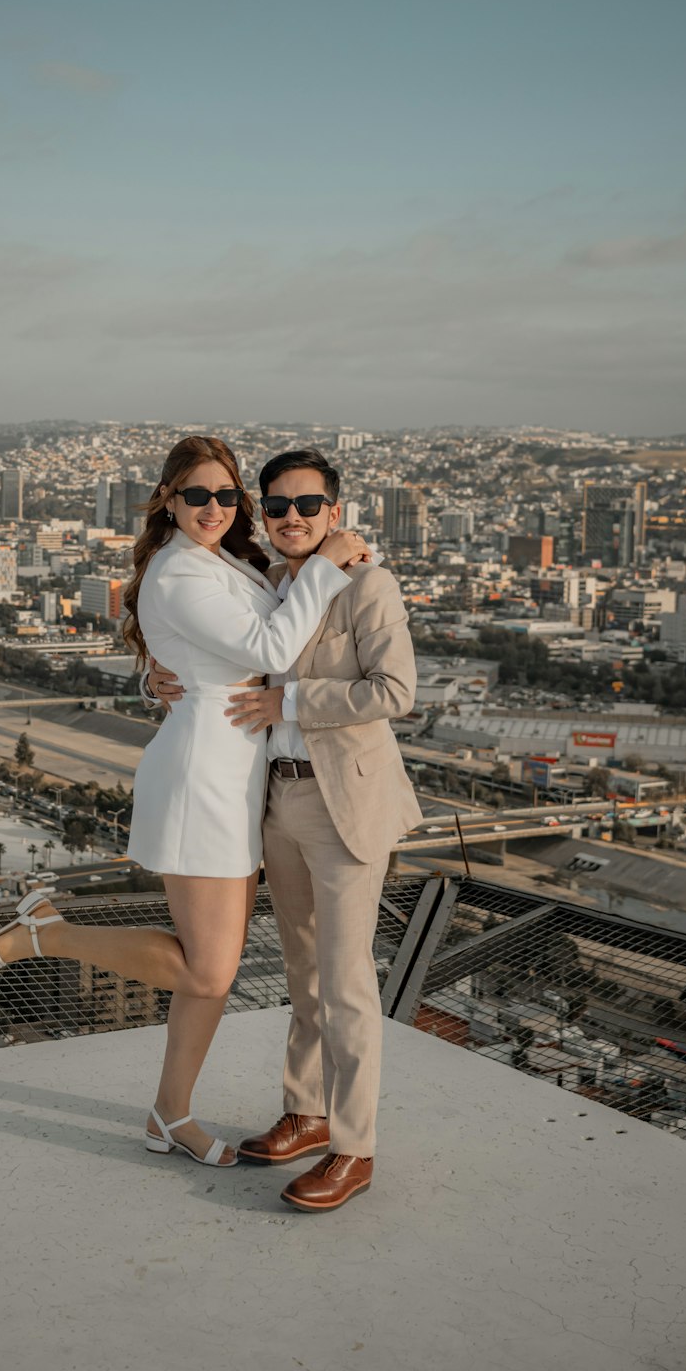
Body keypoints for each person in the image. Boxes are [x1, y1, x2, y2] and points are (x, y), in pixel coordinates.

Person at [0, 435, 367, 1170]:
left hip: (234, 778)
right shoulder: (179, 569)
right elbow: (273, 646)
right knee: (210, 971)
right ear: (169, 500)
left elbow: (194, 654)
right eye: (197, 495)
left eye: (226, 495)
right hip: (202, 783)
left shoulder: (220, 561)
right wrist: (326, 565)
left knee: (208, 972)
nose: (214, 508)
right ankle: (45, 934)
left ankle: (169, 1113)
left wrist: (152, 675)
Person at [147, 448, 419, 1210]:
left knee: (346, 983)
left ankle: (353, 1148)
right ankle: (306, 1110)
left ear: (336, 513)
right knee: (302, 973)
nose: (291, 519)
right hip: (275, 802)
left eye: (307, 507)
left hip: (343, 806)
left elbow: (395, 690)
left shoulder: (367, 583)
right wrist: (156, 677)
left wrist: (290, 706)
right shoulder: (269, 582)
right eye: (276, 507)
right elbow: (206, 650)